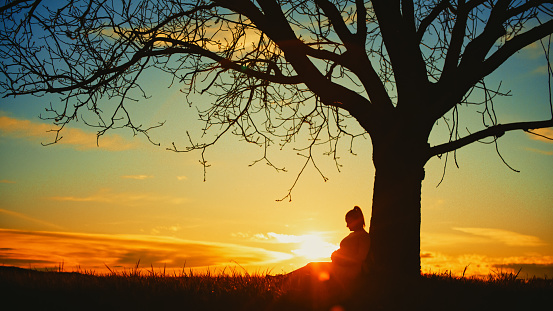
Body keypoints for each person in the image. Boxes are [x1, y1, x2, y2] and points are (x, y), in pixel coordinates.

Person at [287, 206, 371, 293]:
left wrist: (341, 260)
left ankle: (286, 282)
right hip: (339, 266)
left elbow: (361, 258)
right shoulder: (354, 235)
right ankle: (285, 280)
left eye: (349, 222)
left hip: (349, 270)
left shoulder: (364, 237)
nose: (347, 225)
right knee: (310, 266)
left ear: (356, 221)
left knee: (312, 267)